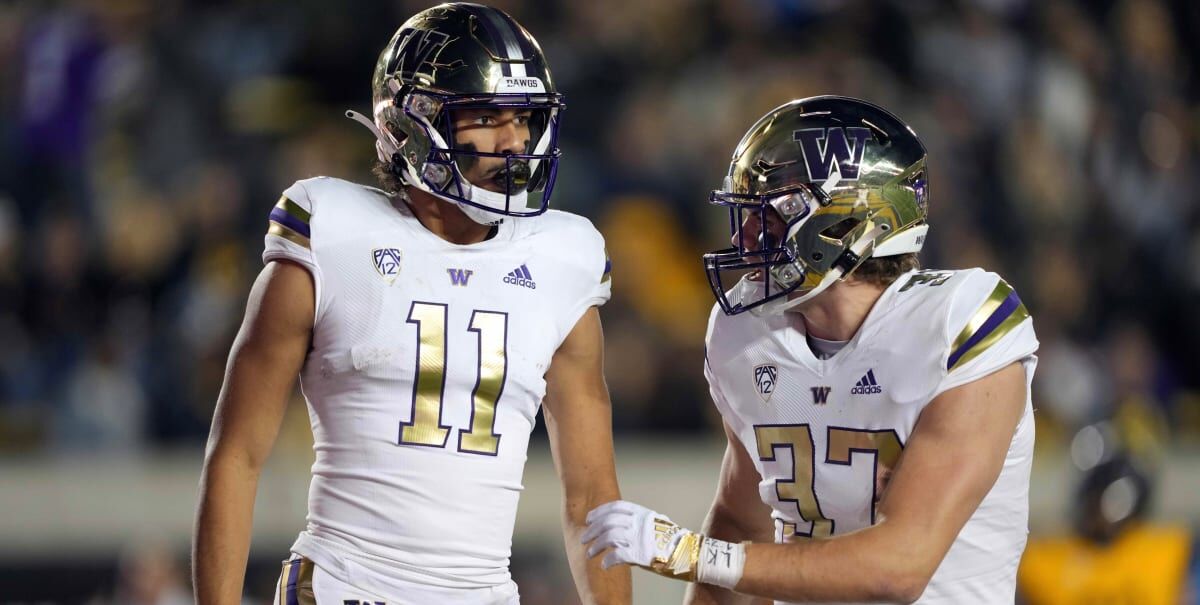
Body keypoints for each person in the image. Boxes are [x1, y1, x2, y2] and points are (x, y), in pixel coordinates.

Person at [193, 4, 630, 604]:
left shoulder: (564, 257)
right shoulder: (335, 233)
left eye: (524, 118)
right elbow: (236, 456)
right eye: (486, 116)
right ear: (411, 126)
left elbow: (590, 497)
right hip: (347, 587)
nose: (516, 140)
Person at [582, 96, 1038, 604]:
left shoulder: (960, 322)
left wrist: (692, 552)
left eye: (773, 216)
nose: (747, 235)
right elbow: (740, 523)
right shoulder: (746, 333)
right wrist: (707, 557)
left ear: (850, 221)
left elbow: (901, 566)